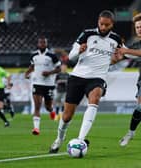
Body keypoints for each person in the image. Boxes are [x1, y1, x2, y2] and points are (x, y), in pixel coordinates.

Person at [49, 10, 123, 153]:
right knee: (67, 115)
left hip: (97, 78)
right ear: (98, 22)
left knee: (95, 98)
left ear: (112, 24)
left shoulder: (116, 40)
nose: (103, 27)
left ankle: (81, 139)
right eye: (101, 24)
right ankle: (59, 139)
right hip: (78, 77)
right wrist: (79, 51)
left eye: (106, 25)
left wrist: (118, 58)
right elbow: (71, 56)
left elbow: (122, 54)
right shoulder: (87, 34)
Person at [25, 36, 61, 135]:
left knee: (48, 107)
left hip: (49, 84)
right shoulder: (33, 55)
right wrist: (27, 73)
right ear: (38, 44)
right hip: (37, 83)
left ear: (46, 44)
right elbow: (32, 66)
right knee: (37, 106)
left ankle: (52, 111)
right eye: (40, 43)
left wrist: (49, 73)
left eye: (44, 43)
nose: (42, 44)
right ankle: (36, 128)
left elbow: (59, 69)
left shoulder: (52, 55)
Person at [116, 13, 141, 146]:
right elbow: (129, 56)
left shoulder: (134, 47)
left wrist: (126, 50)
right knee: (140, 108)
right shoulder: (136, 44)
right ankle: (131, 132)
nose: (139, 29)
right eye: (137, 27)